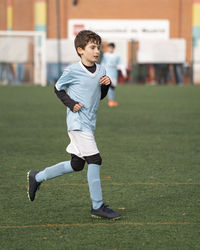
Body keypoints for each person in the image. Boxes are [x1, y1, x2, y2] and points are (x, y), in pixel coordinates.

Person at [27, 30, 121, 220]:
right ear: (80, 50)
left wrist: (105, 85)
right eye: (92, 47)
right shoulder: (72, 70)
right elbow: (57, 88)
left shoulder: (102, 70)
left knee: (77, 164)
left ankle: (36, 178)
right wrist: (71, 104)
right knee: (95, 160)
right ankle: (97, 206)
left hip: (90, 122)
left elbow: (101, 96)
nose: (97, 51)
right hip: (77, 122)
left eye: (98, 48)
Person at [101, 43, 127, 107]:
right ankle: (110, 101)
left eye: (111, 48)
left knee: (113, 87)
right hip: (107, 73)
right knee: (109, 86)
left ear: (113, 48)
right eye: (109, 48)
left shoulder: (117, 56)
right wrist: (101, 73)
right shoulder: (105, 55)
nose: (110, 49)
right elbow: (102, 64)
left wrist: (124, 73)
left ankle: (112, 100)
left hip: (114, 73)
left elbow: (120, 64)